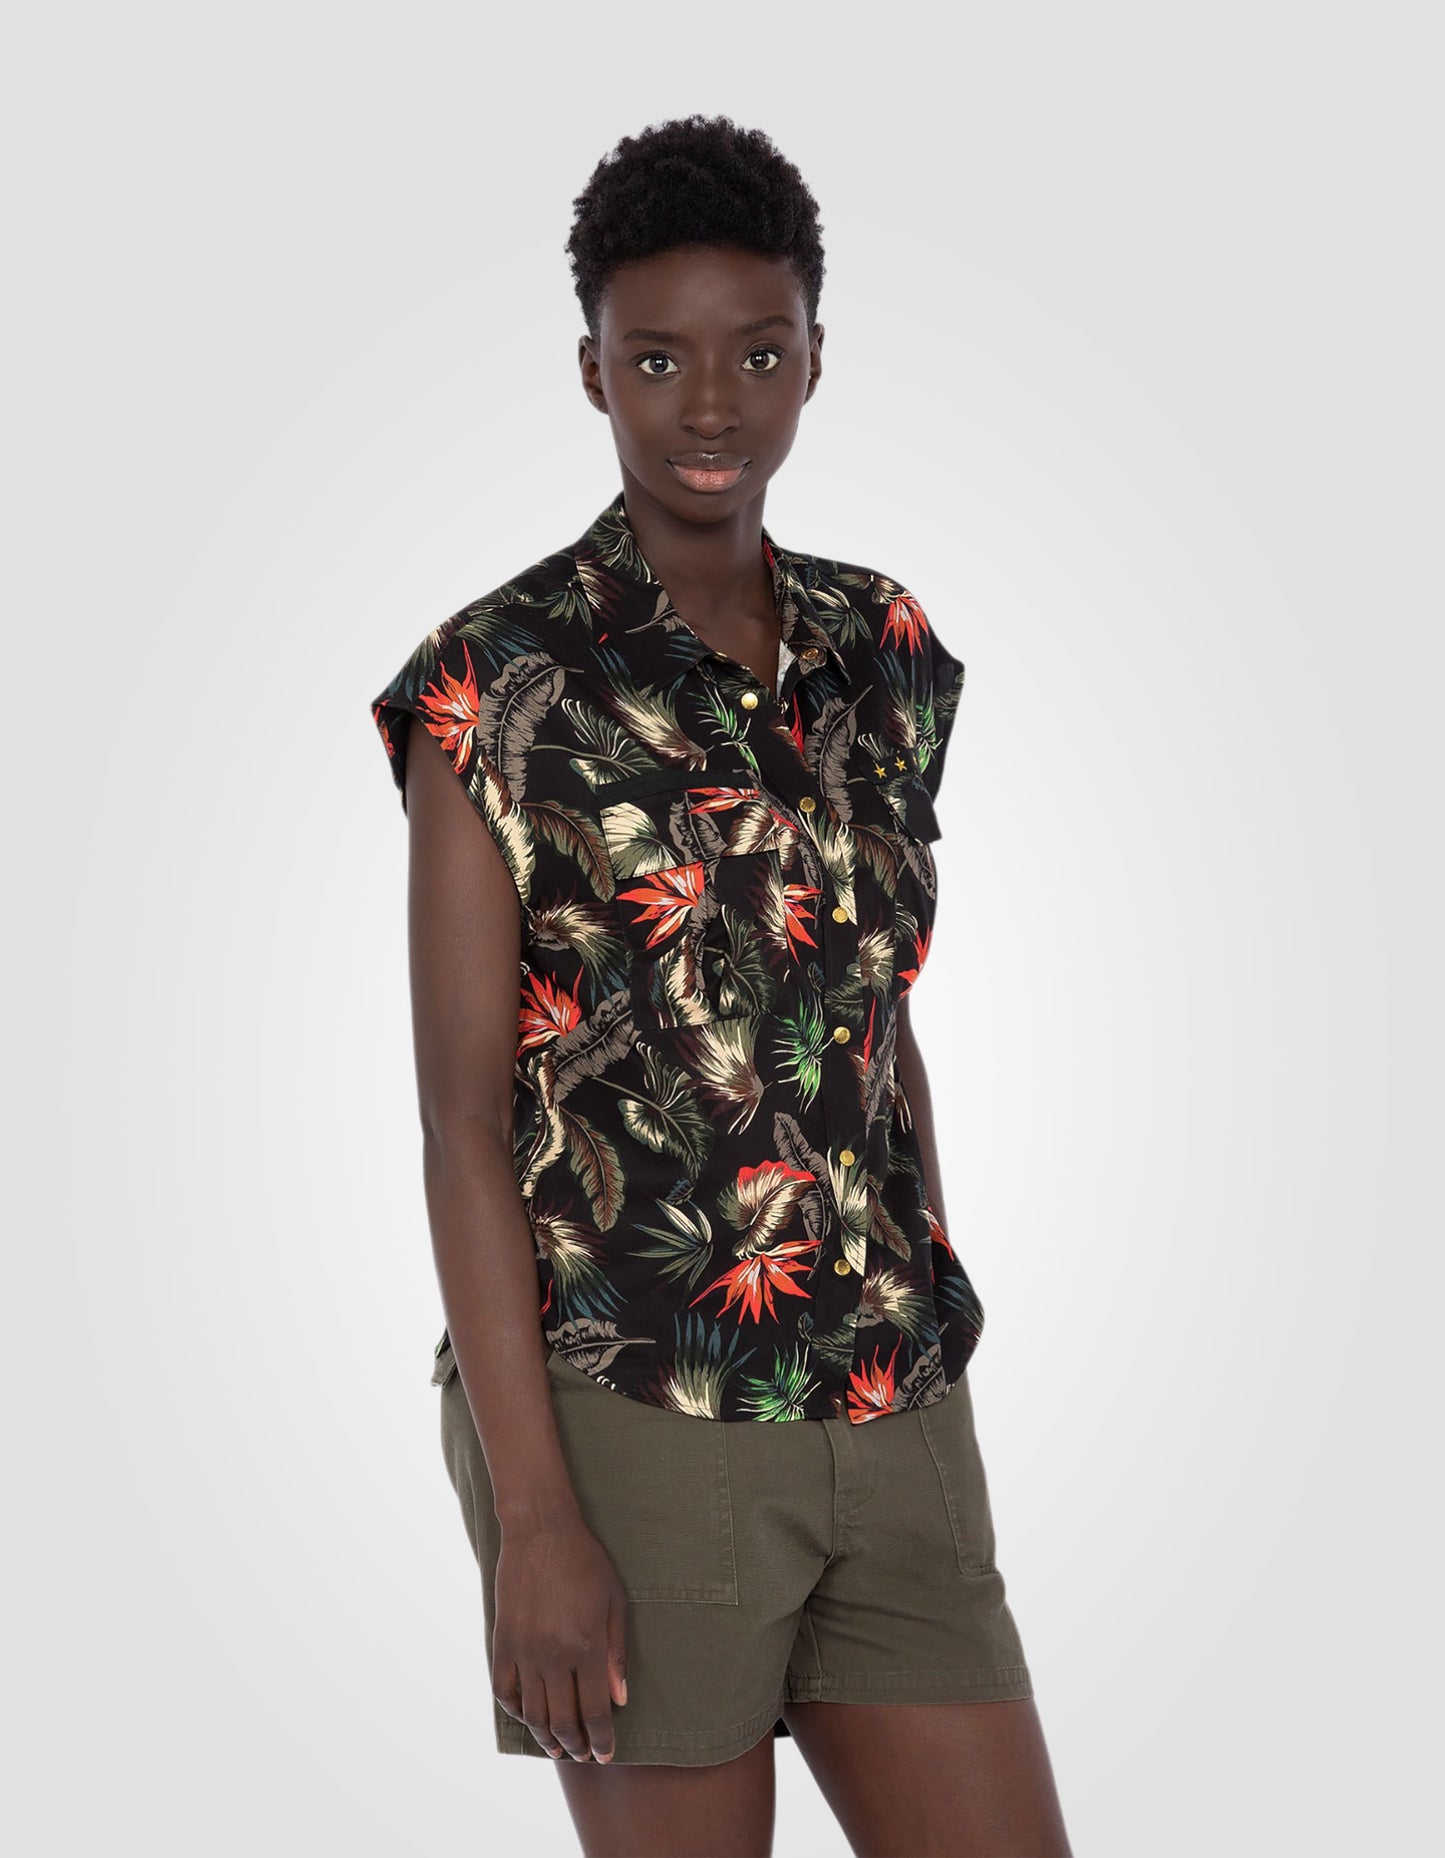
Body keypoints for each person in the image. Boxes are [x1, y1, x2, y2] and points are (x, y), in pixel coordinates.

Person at [370, 114, 1072, 1858]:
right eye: (656, 358)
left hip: (892, 1403)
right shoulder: (495, 685)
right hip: (632, 1420)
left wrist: (925, 1278)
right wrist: (538, 1520)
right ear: (590, 370)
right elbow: (463, 1124)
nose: (709, 404)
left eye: (758, 354)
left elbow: (873, 1012)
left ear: (816, 356)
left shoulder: (880, 647)